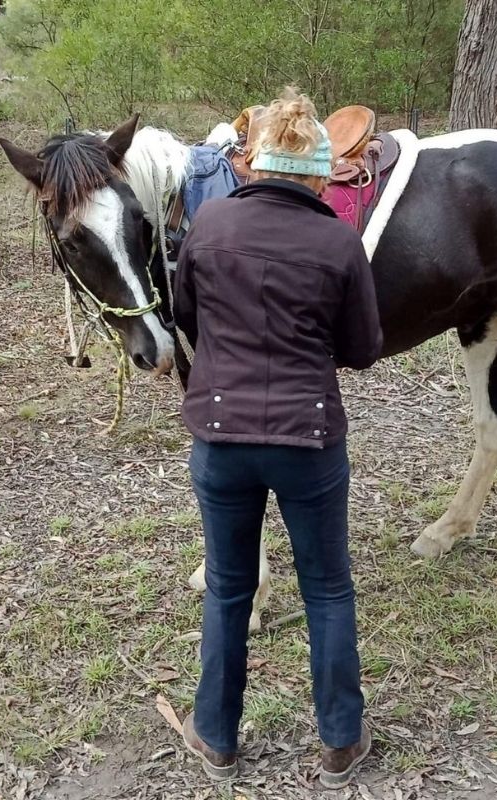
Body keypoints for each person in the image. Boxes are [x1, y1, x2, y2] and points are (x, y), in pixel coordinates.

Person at [173, 87, 383, 789]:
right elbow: (361, 348)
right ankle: (340, 743)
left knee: (229, 589)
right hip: (309, 439)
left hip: (220, 436)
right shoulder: (338, 239)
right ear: (323, 176)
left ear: (253, 166)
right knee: (327, 588)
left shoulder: (207, 226)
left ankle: (216, 736)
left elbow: (188, 319)